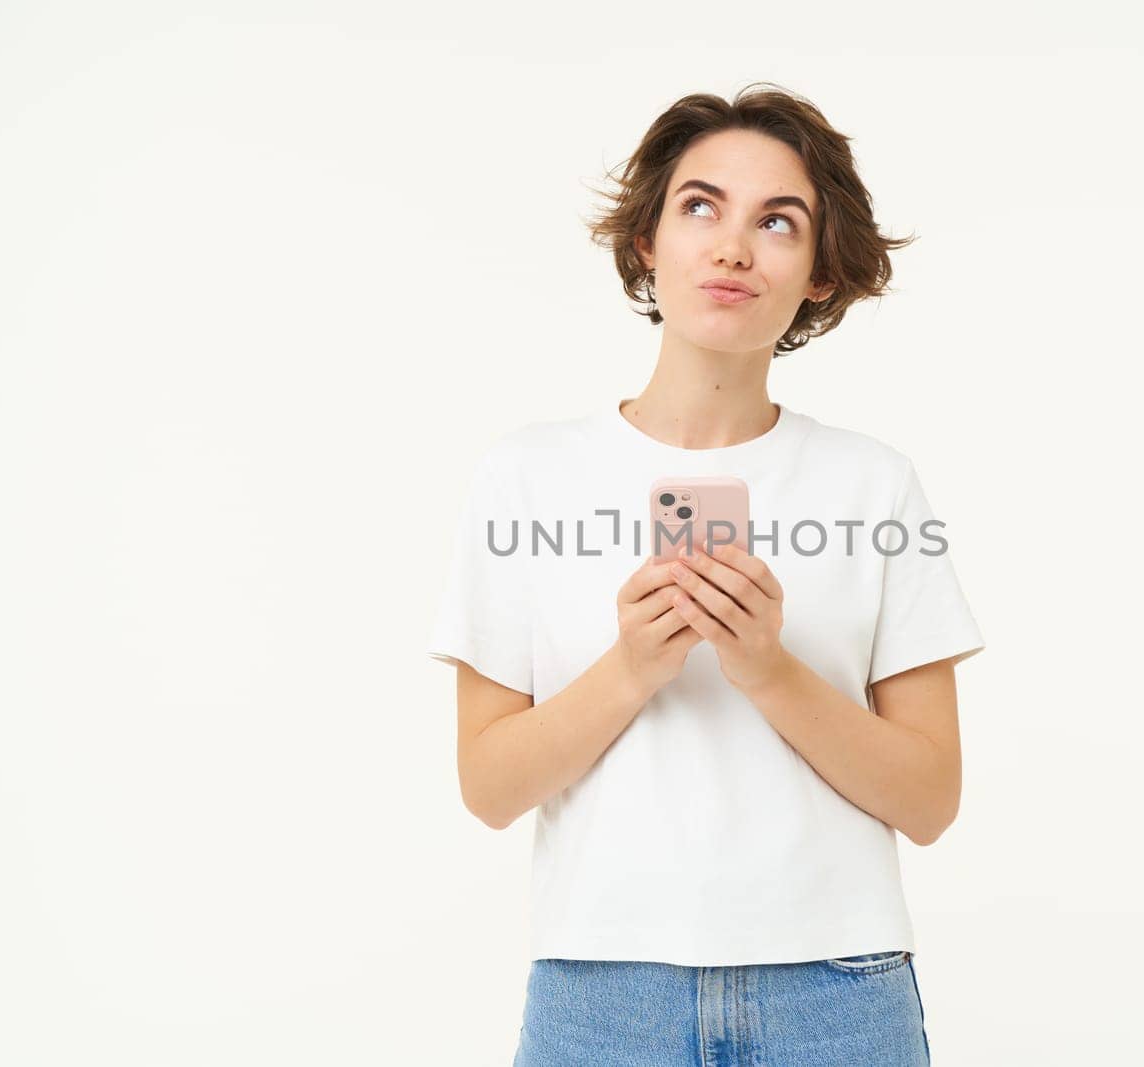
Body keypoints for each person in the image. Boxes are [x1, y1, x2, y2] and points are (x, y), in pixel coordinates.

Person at [426, 83, 986, 1066]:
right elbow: (488, 784)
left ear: (818, 273)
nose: (732, 247)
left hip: (837, 989)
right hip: (601, 990)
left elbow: (930, 797)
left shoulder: (875, 483)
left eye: (778, 221)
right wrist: (633, 665)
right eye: (700, 206)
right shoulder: (525, 473)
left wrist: (768, 667)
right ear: (647, 241)